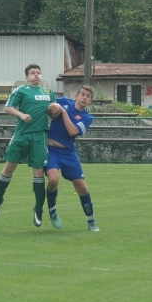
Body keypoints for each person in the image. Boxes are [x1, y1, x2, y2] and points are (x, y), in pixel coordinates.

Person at [0, 63, 58, 227]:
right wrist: (21, 114)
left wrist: (54, 110)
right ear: (27, 77)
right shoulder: (21, 90)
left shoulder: (48, 92)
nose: (36, 75)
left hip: (39, 135)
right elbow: (7, 108)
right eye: (33, 73)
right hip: (21, 135)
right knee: (8, 168)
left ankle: (38, 209)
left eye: (38, 73)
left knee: (39, 172)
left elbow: (54, 115)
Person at [45, 85, 98, 231]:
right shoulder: (63, 101)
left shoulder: (87, 118)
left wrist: (63, 112)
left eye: (88, 96)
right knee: (53, 179)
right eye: (82, 94)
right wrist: (52, 108)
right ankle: (52, 210)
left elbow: (72, 131)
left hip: (69, 153)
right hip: (52, 151)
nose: (84, 97)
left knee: (81, 186)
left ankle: (91, 220)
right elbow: (49, 106)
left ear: (90, 101)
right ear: (76, 95)